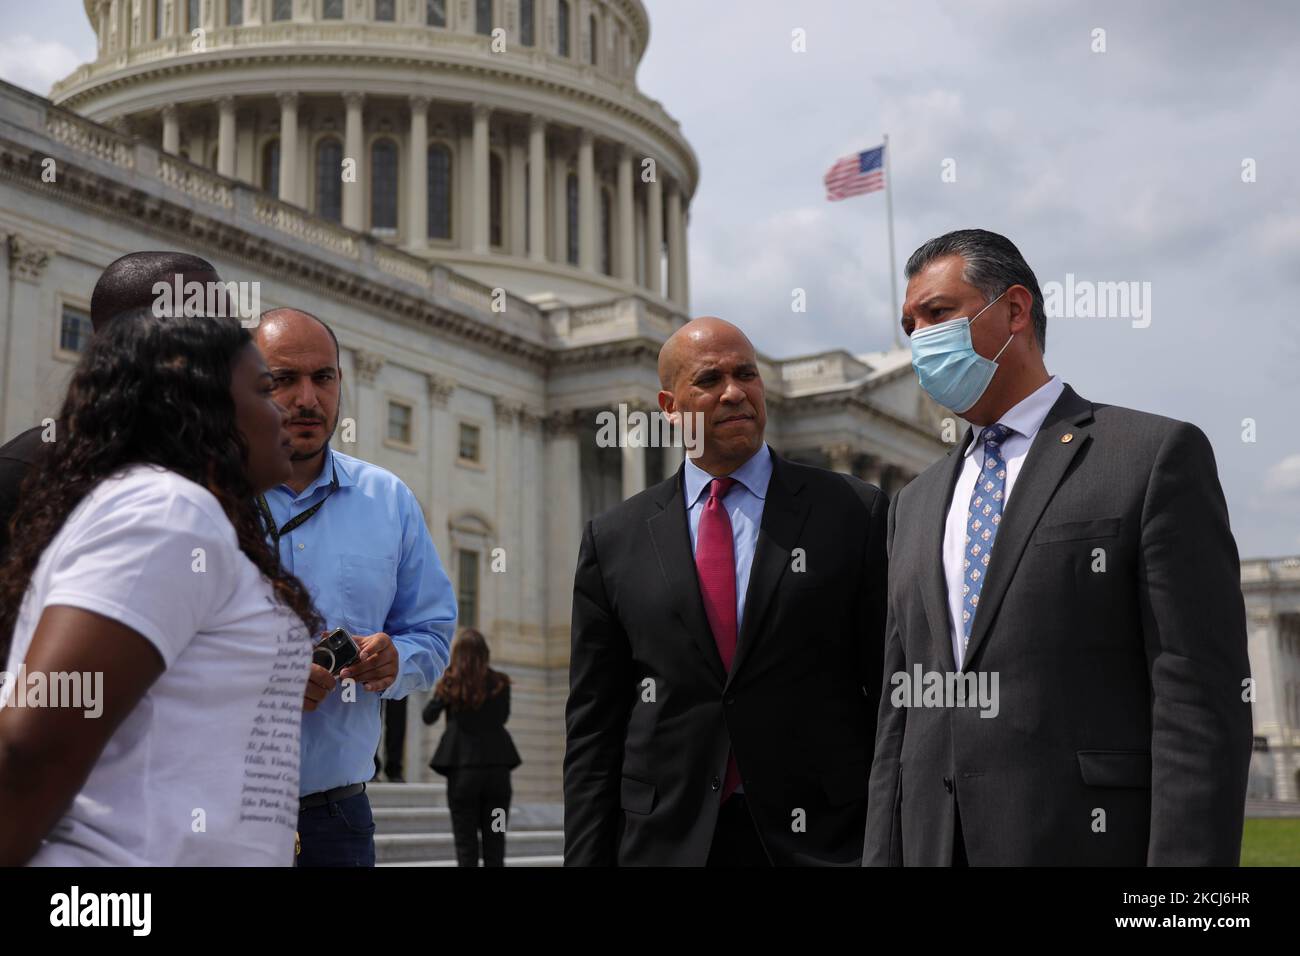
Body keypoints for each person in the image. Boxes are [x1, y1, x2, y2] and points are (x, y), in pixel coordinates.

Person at [863, 229, 1252, 866]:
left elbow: (1197, 704)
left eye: (938, 314)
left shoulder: (1149, 458)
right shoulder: (916, 501)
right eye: (910, 324)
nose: (919, 340)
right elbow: (898, 713)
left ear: (1015, 311)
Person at [564, 317, 889, 867]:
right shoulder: (614, 538)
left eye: (747, 374)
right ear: (669, 408)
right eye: (710, 379)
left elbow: (887, 691)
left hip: (822, 841)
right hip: (667, 842)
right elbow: (595, 725)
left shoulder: (854, 512)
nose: (735, 392)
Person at [0, 308, 320, 865]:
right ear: (200, 409)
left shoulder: (189, 516)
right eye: (266, 390)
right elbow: (31, 746)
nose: (284, 414)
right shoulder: (168, 510)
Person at [252, 307, 456, 868]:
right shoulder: (204, 495)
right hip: (216, 810)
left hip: (337, 821)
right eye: (283, 379)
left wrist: (397, 662)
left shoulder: (387, 500)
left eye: (324, 377)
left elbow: (433, 635)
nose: (308, 399)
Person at [0, 251, 226, 559]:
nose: (225, 357)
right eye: (197, 333)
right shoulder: (22, 472)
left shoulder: (222, 476)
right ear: (115, 346)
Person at [422, 627, 522, 867]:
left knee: (466, 846)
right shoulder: (500, 683)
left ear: (457, 655)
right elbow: (502, 718)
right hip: (498, 778)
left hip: (463, 777)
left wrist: (444, 692)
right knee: (495, 842)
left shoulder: (450, 683)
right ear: (485, 653)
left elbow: (428, 716)